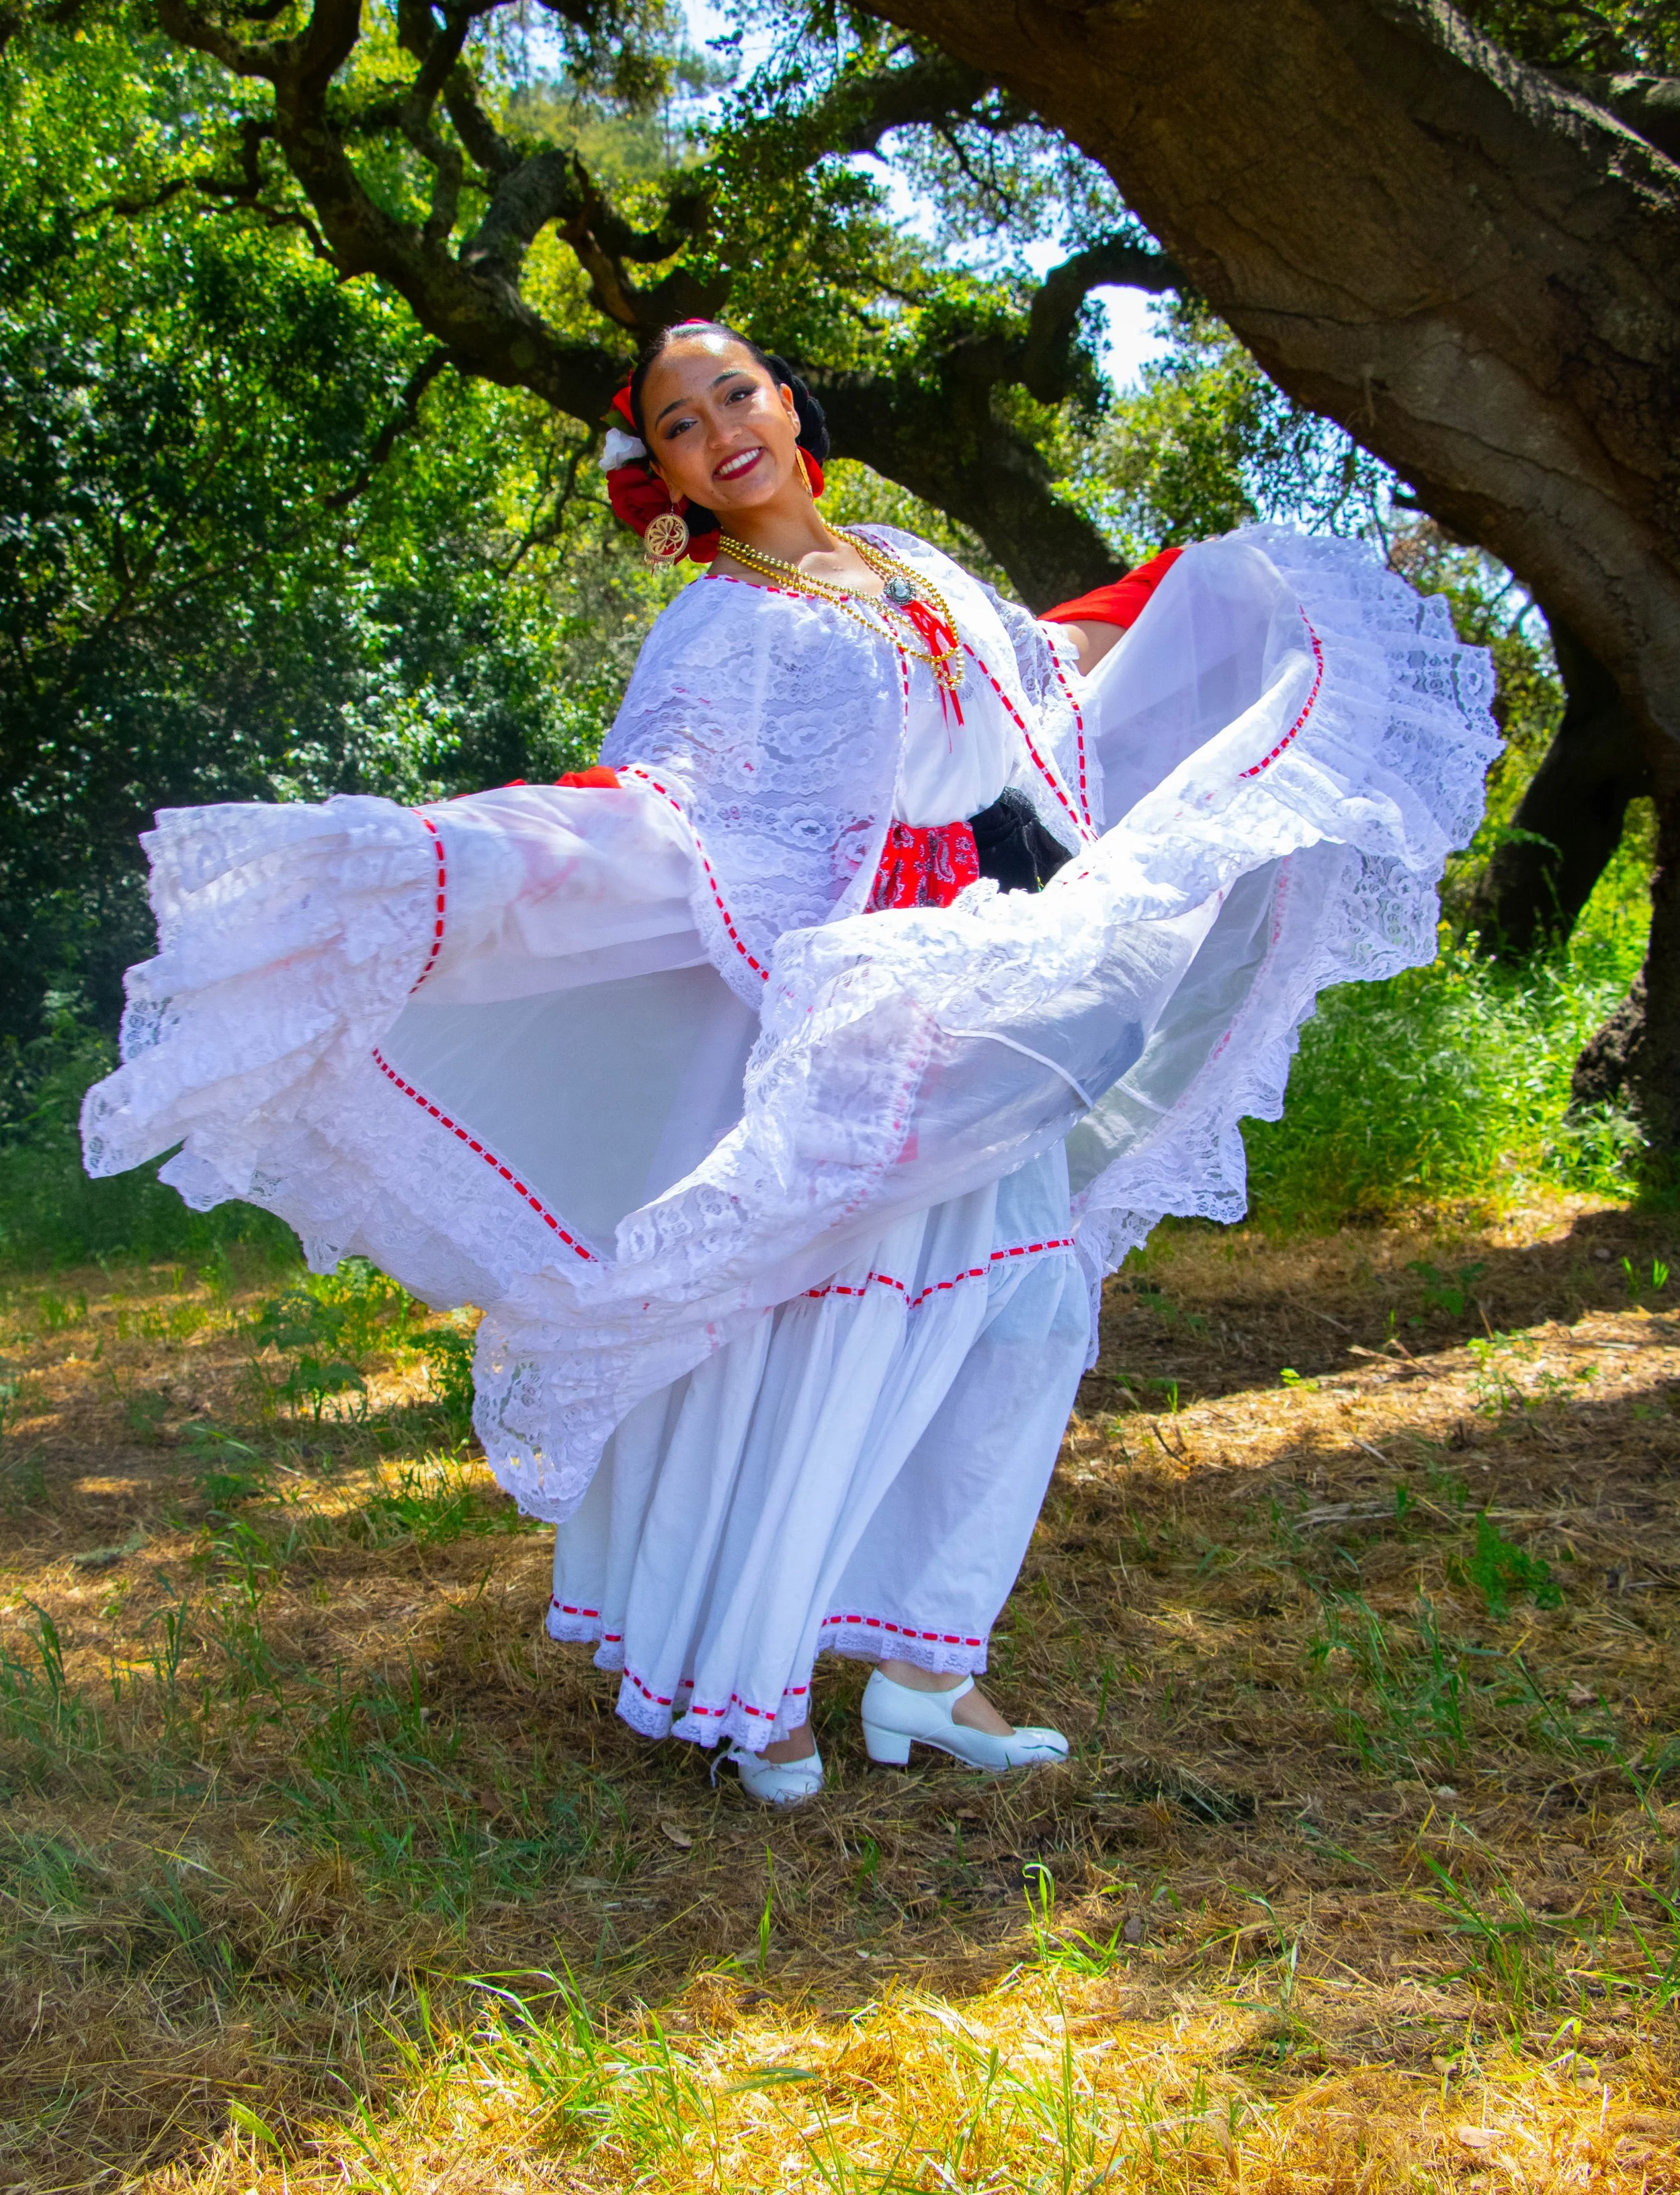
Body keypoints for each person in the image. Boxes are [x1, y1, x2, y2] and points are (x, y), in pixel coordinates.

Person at [83, 319, 1500, 1805]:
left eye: (733, 392)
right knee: (820, 1332)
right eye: (680, 421)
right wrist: (443, 859)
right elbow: (661, 810)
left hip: (986, 989)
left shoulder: (903, 559)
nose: (717, 427)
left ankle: (924, 1674)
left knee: (1019, 1322)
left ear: (787, 403)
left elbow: (1041, 682)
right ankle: (743, 1685)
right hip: (844, 1007)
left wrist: (1213, 598)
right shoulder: (720, 621)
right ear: (670, 476)